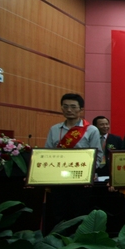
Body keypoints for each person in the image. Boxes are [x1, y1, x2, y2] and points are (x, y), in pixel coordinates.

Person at [44, 93, 103, 232]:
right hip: (58, 180)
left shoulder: (91, 130)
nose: (69, 110)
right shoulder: (54, 129)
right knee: (58, 214)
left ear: (81, 109)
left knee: (79, 215)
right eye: (65, 106)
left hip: (80, 181)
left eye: (73, 107)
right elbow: (47, 153)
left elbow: (98, 155)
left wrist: (89, 174)